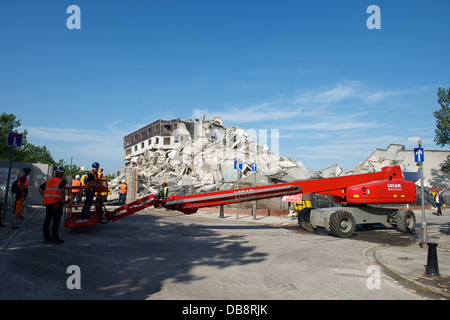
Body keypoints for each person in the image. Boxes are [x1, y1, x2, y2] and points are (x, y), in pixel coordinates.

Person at [39, 165, 66, 244]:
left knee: (47, 220)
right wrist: (61, 201)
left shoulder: (49, 181)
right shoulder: (61, 181)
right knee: (55, 222)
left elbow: (39, 188)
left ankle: (46, 238)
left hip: (48, 204)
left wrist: (45, 197)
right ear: (62, 173)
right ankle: (55, 238)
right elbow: (62, 191)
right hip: (57, 204)